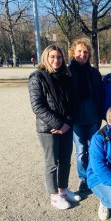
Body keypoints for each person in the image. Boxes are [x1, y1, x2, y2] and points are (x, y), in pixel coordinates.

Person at [28, 44, 80, 210]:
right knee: (52, 162)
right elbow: (38, 106)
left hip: (66, 126)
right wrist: (57, 124)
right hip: (48, 128)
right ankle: (54, 195)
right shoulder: (37, 77)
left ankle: (63, 190)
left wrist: (67, 124)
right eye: (52, 57)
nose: (56, 60)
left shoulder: (66, 76)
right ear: (46, 58)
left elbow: (73, 102)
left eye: (59, 57)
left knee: (65, 160)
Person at [68, 38, 103, 193]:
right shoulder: (67, 72)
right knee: (81, 150)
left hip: (93, 116)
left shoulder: (94, 73)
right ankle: (83, 179)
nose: (82, 54)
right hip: (76, 118)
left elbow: (100, 93)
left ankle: (93, 176)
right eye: (79, 51)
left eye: (85, 52)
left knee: (93, 148)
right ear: (73, 53)